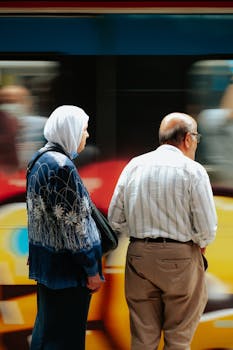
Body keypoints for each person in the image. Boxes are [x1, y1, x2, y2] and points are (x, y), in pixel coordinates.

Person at [108, 112, 217, 350]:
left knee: (142, 340)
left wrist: (141, 234)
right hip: (181, 259)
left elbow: (115, 219)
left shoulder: (134, 166)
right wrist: (197, 244)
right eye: (196, 137)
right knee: (178, 340)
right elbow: (207, 229)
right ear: (188, 139)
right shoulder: (193, 171)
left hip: (138, 257)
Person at [26, 105, 104, 350]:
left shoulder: (38, 160)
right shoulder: (63, 168)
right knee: (65, 339)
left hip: (46, 264)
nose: (87, 136)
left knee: (47, 332)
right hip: (67, 271)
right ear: (70, 131)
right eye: (84, 130)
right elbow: (75, 226)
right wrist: (91, 268)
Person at [0, 84, 47, 169]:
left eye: (12, 101)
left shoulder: (44, 126)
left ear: (27, 103)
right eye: (3, 102)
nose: (7, 105)